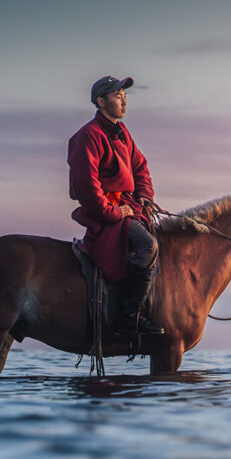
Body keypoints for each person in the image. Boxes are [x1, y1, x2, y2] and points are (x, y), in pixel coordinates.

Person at [67, 75, 164, 337]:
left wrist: (144, 195)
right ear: (100, 102)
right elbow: (86, 184)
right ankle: (128, 319)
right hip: (105, 215)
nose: (123, 100)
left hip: (127, 208)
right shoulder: (88, 136)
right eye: (117, 95)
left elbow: (140, 167)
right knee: (147, 245)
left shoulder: (122, 134)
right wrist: (112, 212)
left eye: (124, 94)